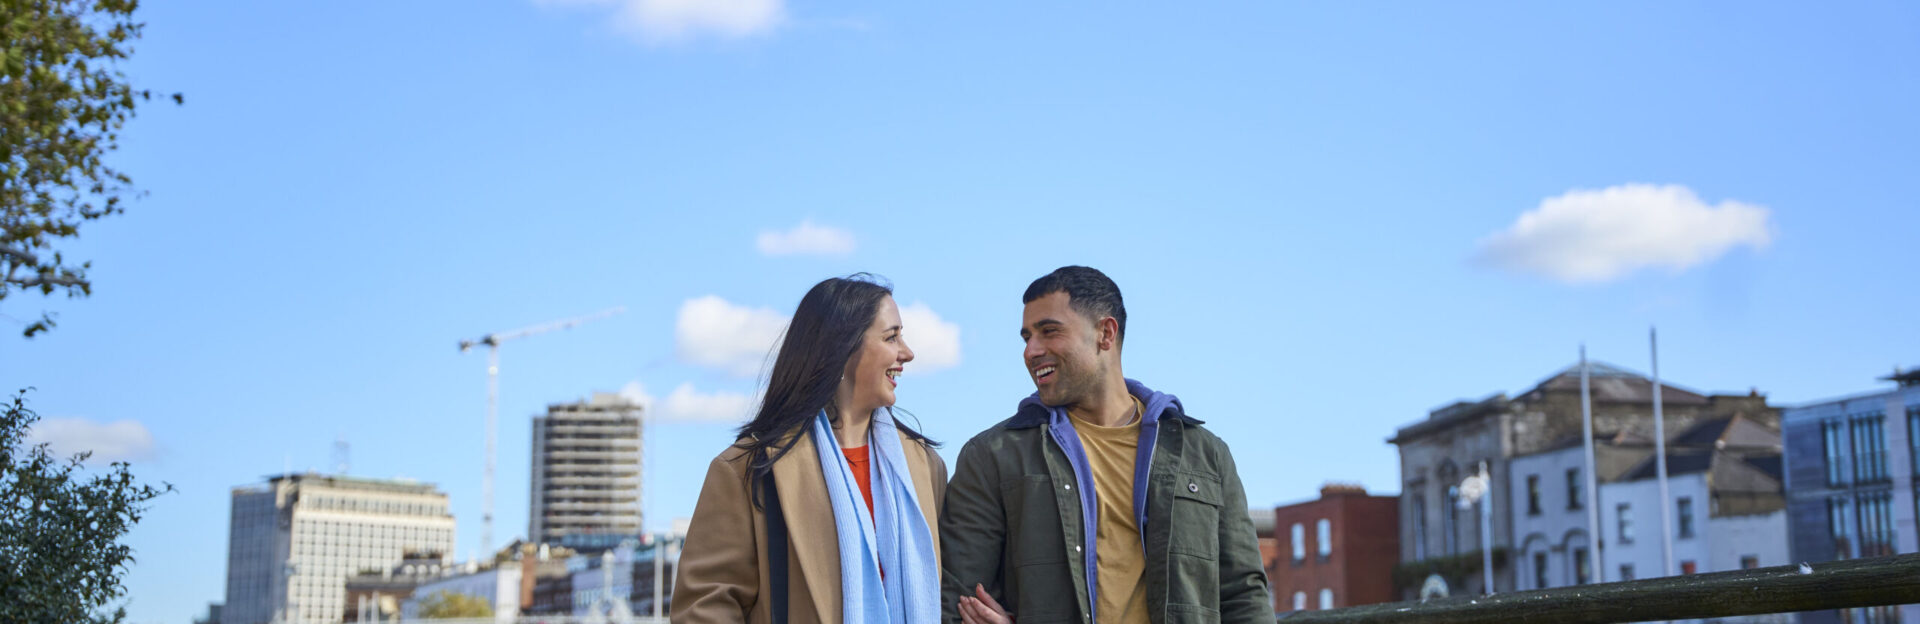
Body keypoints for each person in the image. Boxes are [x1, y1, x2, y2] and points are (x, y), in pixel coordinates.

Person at [940, 266, 1271, 624]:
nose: (1031, 351)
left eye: (1049, 331)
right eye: (1026, 337)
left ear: (1105, 333)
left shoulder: (1205, 455)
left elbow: (1244, 596)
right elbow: (959, 601)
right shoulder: (993, 456)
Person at [674, 275, 946, 624]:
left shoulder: (925, 468)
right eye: (892, 336)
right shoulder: (747, 470)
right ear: (843, 347)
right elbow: (704, 605)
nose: (907, 352)